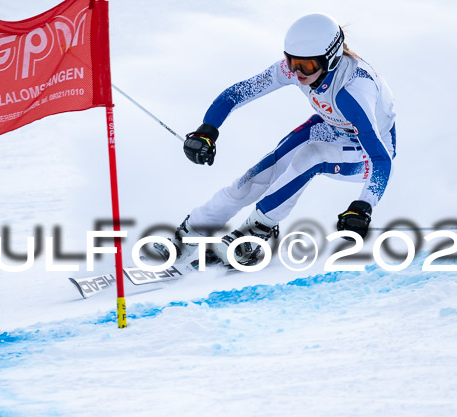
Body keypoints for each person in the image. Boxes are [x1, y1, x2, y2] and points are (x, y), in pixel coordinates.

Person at [157, 13, 396, 267]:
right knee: (255, 178)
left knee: (310, 156)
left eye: (306, 66)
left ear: (332, 59)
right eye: (291, 61)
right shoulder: (297, 69)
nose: (297, 72)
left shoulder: (353, 93)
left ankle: (256, 232)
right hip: (331, 126)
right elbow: (239, 93)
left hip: (367, 151)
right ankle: (188, 235)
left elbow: (381, 159)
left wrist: (363, 207)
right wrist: (207, 130)